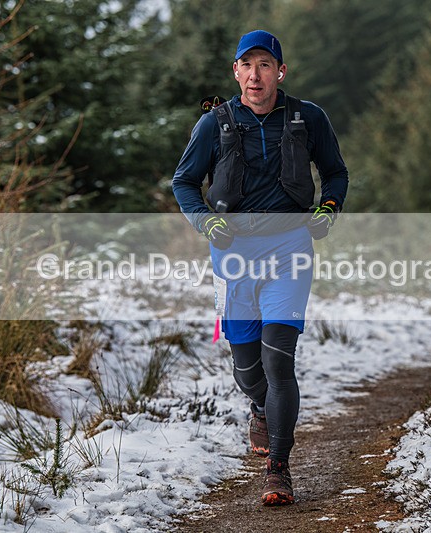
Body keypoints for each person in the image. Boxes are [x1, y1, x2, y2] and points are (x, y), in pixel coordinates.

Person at [172, 29, 348, 506]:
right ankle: (258, 408)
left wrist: (328, 207)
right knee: (248, 369)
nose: (255, 74)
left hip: (290, 249)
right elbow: (184, 183)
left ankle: (278, 469)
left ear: (280, 72)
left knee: (278, 362)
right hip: (232, 255)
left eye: (265, 64)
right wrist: (206, 223)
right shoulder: (215, 124)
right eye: (247, 65)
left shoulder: (308, 118)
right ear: (236, 72)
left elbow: (335, 172)